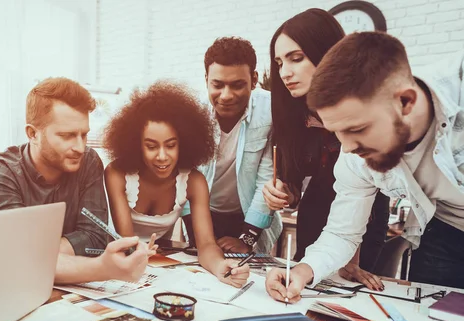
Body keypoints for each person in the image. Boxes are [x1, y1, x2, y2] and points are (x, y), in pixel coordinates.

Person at [266, 31, 464, 304]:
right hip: (444, 229)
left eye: (357, 129)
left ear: (405, 102)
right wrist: (303, 270)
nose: (347, 148)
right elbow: (342, 232)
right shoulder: (354, 155)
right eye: (337, 132)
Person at [262, 8, 389, 291]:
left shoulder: (369, 111)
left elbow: (361, 196)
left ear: (329, 54)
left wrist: (350, 256)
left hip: (364, 220)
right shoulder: (291, 113)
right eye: (279, 63)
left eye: (296, 59)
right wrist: (282, 191)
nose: (285, 72)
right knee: (303, 287)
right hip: (318, 215)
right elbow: (293, 186)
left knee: (347, 293)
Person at [0, 77, 150, 285]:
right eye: (67, 135)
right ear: (32, 133)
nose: (79, 147)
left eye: (84, 135)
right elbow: (16, 258)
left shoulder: (88, 161)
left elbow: (95, 237)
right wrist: (101, 267)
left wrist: (36, 253)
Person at [103, 81, 250, 288]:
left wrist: (220, 267)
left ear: (184, 143)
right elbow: (128, 243)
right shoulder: (117, 174)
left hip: (154, 265)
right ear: (136, 145)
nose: (162, 156)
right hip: (115, 261)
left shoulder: (194, 182)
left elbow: (206, 244)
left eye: (171, 145)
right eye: (151, 146)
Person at [182, 36, 281, 254]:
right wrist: (199, 236)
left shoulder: (272, 110)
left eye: (237, 85)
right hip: (201, 214)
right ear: (206, 79)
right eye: (217, 85)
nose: (226, 96)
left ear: (254, 80)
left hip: (249, 216)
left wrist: (247, 238)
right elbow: (184, 179)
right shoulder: (191, 115)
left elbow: (267, 180)